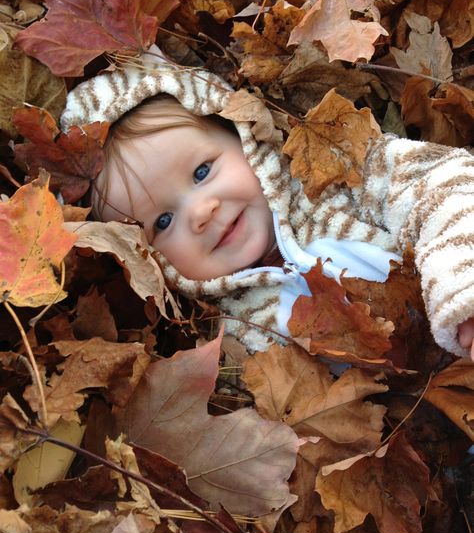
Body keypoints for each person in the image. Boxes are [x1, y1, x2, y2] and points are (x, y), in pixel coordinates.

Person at [60, 54, 474, 360]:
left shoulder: (333, 177)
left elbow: (445, 185)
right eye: (163, 221)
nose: (202, 212)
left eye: (202, 171)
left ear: (243, 140)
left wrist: (461, 288)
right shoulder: (233, 340)